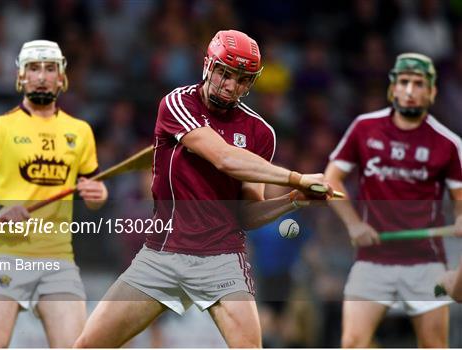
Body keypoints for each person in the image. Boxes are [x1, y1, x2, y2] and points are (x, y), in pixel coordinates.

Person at [74, 29, 333, 348]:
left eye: (241, 79)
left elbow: (246, 215)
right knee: (87, 346)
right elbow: (224, 158)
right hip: (162, 254)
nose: (230, 86)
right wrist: (296, 178)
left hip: (222, 258)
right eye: (224, 73)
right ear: (208, 65)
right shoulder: (178, 104)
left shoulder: (259, 132)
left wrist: (294, 199)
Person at [0, 40, 108, 347]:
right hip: (9, 255)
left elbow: (93, 195)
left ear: (62, 78)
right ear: (21, 77)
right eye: (33, 68)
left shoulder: (80, 131)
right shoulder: (1, 128)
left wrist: (99, 193)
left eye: (50, 69)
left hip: (58, 258)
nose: (41, 76)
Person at [325, 52, 462, 348]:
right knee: (352, 343)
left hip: (426, 262)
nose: (410, 91)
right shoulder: (364, 128)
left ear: (432, 91)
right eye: (403, 82)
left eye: (418, 83)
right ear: (392, 88)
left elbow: (461, 202)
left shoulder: (449, 144)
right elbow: (330, 180)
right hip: (373, 259)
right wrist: (353, 225)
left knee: (435, 346)